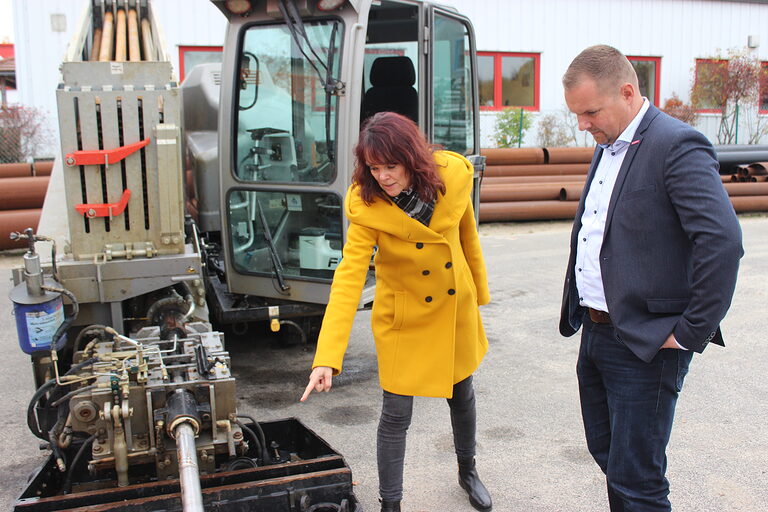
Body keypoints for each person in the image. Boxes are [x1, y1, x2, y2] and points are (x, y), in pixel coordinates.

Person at [559, 45, 743, 511]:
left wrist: (687, 333)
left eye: (590, 112)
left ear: (627, 91)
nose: (583, 125)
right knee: (610, 457)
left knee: (637, 479)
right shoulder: (610, 142)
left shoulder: (675, 144)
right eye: (577, 115)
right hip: (598, 330)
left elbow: (721, 242)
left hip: (647, 342)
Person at [300, 111, 493, 512]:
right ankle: (391, 504)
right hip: (403, 315)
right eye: (374, 167)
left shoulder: (452, 178)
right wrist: (327, 358)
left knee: (462, 394)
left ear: (412, 158)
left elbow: (466, 232)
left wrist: (478, 292)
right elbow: (349, 277)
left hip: (452, 304)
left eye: (391, 166)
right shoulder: (367, 204)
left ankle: (467, 470)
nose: (384, 177)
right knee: (395, 414)